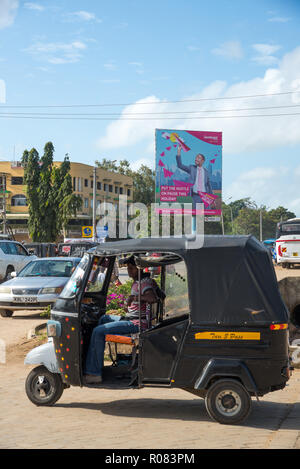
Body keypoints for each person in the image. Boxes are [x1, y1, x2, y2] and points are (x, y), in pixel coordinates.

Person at [83, 255, 161, 384]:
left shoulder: (145, 282)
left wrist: (134, 299)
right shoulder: (139, 281)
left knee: (98, 331)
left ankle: (94, 373)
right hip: (132, 317)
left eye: (132, 268)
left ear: (139, 268)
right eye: (128, 268)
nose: (129, 271)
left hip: (137, 323)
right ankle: (96, 363)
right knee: (103, 319)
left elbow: (152, 298)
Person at [176, 145, 213, 210]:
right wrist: (179, 151)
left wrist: (212, 198)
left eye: (198, 158)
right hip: (195, 196)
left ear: (202, 161)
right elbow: (180, 165)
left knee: (207, 214)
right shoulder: (192, 168)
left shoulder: (206, 172)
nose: (196, 159)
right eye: (196, 157)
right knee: (197, 215)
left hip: (205, 196)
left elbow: (209, 185)